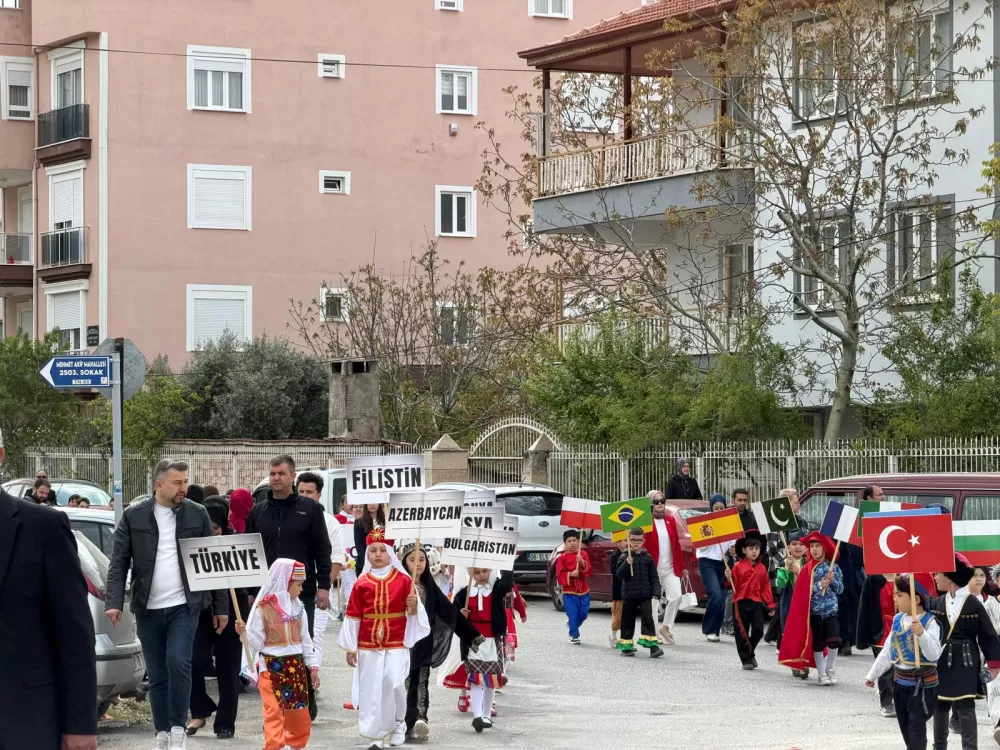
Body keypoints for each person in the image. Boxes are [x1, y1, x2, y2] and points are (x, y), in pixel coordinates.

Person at [106, 459, 227, 750]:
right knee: (158, 673)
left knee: (179, 662)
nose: (183, 488)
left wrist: (220, 606)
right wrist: (114, 602)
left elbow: (212, 562)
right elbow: (119, 561)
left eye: (186, 481)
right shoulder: (134, 516)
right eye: (177, 482)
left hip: (185, 605)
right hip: (147, 607)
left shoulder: (197, 514)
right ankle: (161, 730)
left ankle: (177, 728)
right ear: (159, 484)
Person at [0, 428, 98, 750]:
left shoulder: (43, 528)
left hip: (24, 721)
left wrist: (81, 723)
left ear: (0, 457)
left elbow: (74, 631)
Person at [338, 530, 429, 748]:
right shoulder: (361, 584)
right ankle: (375, 734)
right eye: (373, 551)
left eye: (382, 550)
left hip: (396, 642)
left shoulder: (404, 580)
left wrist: (414, 607)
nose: (377, 555)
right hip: (368, 644)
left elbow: (416, 614)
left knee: (394, 682)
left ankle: (398, 723)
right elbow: (353, 617)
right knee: (372, 688)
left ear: (390, 553)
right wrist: (351, 648)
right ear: (367, 554)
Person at [399, 543, 482, 743]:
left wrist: (470, 633)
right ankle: (402, 721)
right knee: (403, 682)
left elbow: (448, 611)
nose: (418, 564)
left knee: (421, 681)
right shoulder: (398, 584)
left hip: (423, 643)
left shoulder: (429, 586)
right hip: (401, 643)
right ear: (404, 562)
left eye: (422, 560)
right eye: (413, 560)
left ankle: (420, 718)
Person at [246, 455, 333, 639]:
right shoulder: (258, 511)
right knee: (268, 644)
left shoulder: (311, 509)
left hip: (301, 590)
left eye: (281, 473)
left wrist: (324, 585)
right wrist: (251, 591)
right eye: (272, 473)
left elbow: (322, 549)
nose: (276, 478)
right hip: (266, 591)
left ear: (293, 476)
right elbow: (251, 553)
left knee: (300, 643)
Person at [238, 559, 320, 750]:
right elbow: (258, 643)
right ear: (285, 582)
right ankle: (274, 746)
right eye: (298, 585)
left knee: (298, 714)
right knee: (273, 712)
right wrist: (245, 634)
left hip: (296, 669)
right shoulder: (263, 609)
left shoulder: (299, 608)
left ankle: (296, 744)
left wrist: (313, 666)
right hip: (271, 667)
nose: (301, 589)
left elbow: (306, 640)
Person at [186, 497, 249, 739]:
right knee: (192, 661)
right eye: (208, 526)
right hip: (202, 609)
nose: (213, 531)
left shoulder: (237, 542)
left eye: (217, 526)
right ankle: (200, 709)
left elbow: (251, 578)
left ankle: (225, 723)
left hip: (233, 608)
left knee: (228, 666)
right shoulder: (194, 542)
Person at [930, 554, 1000, 750]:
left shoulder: (973, 603)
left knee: (966, 707)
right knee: (940, 705)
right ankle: (939, 747)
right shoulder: (936, 603)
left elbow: (988, 634)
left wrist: (994, 664)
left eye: (938, 574)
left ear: (950, 577)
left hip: (967, 661)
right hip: (941, 660)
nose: (935, 577)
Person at [864, 576, 942, 750]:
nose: (894, 599)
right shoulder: (898, 620)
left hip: (921, 687)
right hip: (899, 684)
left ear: (915, 598)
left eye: (899, 595)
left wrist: (921, 634)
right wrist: (872, 675)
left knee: (916, 730)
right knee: (906, 729)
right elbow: (887, 651)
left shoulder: (930, 623)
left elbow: (934, 654)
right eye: (894, 595)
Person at [452, 567, 515, 732]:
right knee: (475, 678)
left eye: (485, 572)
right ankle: (477, 716)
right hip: (473, 640)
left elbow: (508, 582)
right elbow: (453, 614)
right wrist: (461, 613)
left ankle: (486, 714)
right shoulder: (463, 594)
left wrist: (506, 563)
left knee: (490, 679)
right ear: (471, 574)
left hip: (492, 639)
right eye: (477, 572)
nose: (481, 576)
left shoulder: (495, 590)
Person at [778, 531, 843, 687]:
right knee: (818, 643)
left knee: (834, 641)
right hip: (814, 612)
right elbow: (803, 589)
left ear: (824, 548)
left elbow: (840, 589)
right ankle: (821, 674)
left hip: (830, 610)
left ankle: (830, 668)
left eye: (817, 546)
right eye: (812, 546)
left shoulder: (833, 567)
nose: (814, 549)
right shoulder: (808, 568)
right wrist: (819, 585)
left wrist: (833, 581)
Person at [294, 472, 344, 666]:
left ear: (319, 494)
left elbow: (336, 560)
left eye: (310, 492)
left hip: (316, 590)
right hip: (291, 590)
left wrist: (323, 586)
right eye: (301, 491)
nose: (305, 496)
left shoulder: (330, 523)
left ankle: (312, 680)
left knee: (314, 636)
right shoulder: (290, 516)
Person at [645, 489, 687, 645]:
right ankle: (653, 632)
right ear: (650, 504)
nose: (660, 504)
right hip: (653, 568)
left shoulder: (670, 520)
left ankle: (666, 627)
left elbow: (676, 544)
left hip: (670, 567)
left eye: (662, 500)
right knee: (653, 602)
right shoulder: (646, 521)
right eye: (656, 501)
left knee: (676, 597)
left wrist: (682, 566)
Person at [615, 528, 664, 658]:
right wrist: (626, 564)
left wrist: (656, 591)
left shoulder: (648, 558)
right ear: (628, 541)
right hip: (629, 595)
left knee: (648, 619)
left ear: (643, 541)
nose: (636, 543)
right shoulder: (625, 556)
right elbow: (619, 574)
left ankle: (653, 647)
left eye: (639, 540)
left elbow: (654, 576)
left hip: (644, 595)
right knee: (628, 620)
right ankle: (626, 646)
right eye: (633, 540)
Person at [858, 573, 901, 717]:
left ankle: (893, 696)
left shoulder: (904, 577)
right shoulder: (873, 579)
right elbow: (866, 607)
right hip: (880, 628)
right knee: (886, 666)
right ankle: (886, 701)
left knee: (898, 665)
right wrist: (865, 632)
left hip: (899, 624)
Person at [730, 531, 775, 670]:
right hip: (740, 602)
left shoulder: (762, 567)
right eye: (751, 548)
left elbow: (766, 587)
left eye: (756, 548)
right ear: (744, 550)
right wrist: (728, 576)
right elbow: (731, 584)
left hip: (756, 603)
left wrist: (770, 604)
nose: (754, 551)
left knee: (758, 631)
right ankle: (746, 660)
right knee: (741, 632)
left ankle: (750, 652)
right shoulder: (737, 566)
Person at [776, 530, 809, 677]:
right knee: (790, 633)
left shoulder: (808, 563)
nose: (797, 547)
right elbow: (781, 584)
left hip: (805, 603)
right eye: (794, 544)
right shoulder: (783, 563)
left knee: (804, 633)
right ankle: (794, 663)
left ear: (805, 548)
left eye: (801, 544)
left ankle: (804, 662)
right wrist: (787, 570)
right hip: (789, 602)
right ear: (788, 547)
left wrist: (798, 572)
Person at [697, 494, 730, 643]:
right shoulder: (704, 521)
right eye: (716, 508)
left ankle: (716, 629)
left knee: (722, 598)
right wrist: (713, 532)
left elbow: (733, 542)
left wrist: (733, 550)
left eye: (721, 508)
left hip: (722, 563)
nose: (718, 510)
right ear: (711, 508)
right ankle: (708, 629)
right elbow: (701, 547)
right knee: (715, 594)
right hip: (707, 562)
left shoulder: (729, 521)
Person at [556, 529, 591, 644]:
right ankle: (574, 635)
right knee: (572, 613)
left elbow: (589, 571)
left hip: (583, 589)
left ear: (578, 542)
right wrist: (570, 574)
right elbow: (559, 574)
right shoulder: (562, 558)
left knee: (583, 614)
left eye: (574, 540)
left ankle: (572, 624)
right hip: (569, 591)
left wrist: (581, 562)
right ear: (565, 544)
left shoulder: (583, 554)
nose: (572, 543)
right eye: (569, 541)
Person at [354, 502, 387, 570]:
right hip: (365, 564)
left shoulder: (385, 521)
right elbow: (359, 546)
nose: (372, 505)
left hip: (384, 563)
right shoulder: (359, 522)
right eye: (370, 502)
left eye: (375, 502)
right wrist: (367, 565)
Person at [609, 535, 628, 647]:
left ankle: (625, 638)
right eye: (624, 540)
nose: (627, 543)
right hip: (619, 591)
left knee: (628, 617)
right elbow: (615, 572)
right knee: (618, 617)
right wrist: (626, 564)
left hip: (630, 591)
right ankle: (613, 634)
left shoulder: (633, 554)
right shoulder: (615, 556)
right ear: (618, 543)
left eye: (628, 540)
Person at [503, 581, 528, 662]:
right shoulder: (508, 581)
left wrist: (522, 612)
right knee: (507, 636)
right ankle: (506, 657)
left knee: (507, 637)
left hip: (505, 614)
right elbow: (517, 599)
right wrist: (522, 613)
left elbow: (517, 599)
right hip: (504, 614)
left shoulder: (509, 582)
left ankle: (506, 658)